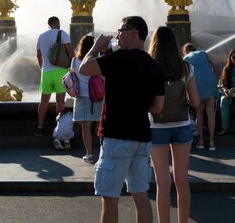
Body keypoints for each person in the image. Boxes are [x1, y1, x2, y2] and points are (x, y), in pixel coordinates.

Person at [79, 16, 165, 223]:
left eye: (121, 30)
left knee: (110, 198)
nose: (117, 35)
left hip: (116, 137)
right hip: (142, 138)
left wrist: (96, 47)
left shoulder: (119, 58)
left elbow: (84, 68)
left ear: (133, 33)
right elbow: (158, 107)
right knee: (141, 195)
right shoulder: (154, 66)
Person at [149, 26, 200, 223]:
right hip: (181, 125)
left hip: (156, 127)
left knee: (162, 184)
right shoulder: (186, 68)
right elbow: (195, 102)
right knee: (182, 182)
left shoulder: (150, 67)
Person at [35, 16, 74, 136]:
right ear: (58, 24)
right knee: (60, 101)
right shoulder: (62, 34)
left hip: (46, 72)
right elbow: (70, 52)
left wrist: (42, 68)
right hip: (60, 71)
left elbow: (38, 55)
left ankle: (40, 127)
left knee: (44, 101)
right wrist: (73, 68)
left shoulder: (41, 36)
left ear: (49, 25)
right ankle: (59, 127)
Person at [71, 35, 102, 164]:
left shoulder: (74, 61)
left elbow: (72, 77)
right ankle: (103, 155)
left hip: (81, 96)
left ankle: (89, 155)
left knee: (86, 127)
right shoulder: (98, 60)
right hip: (97, 96)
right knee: (101, 127)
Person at [182, 43, 218, 150]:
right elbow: (215, 65)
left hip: (197, 86)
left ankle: (201, 141)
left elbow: (185, 77)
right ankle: (212, 143)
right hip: (210, 83)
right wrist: (211, 75)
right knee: (211, 114)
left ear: (185, 51)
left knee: (199, 114)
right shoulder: (203, 53)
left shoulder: (185, 58)